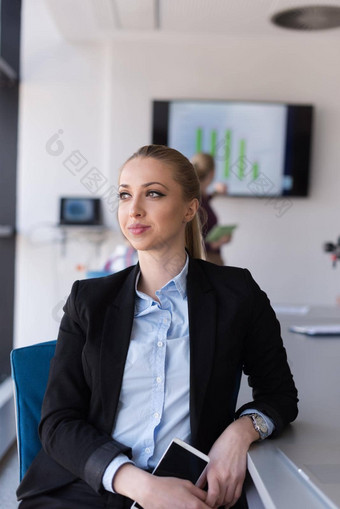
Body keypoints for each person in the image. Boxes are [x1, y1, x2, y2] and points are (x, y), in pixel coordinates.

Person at [17, 145, 298, 509]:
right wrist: (141, 486)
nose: (133, 209)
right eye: (124, 195)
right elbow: (58, 422)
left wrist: (240, 432)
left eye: (153, 193)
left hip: (191, 489)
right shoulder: (89, 300)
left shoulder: (236, 294)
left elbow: (279, 395)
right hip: (89, 487)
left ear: (190, 208)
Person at [191, 152, 231, 266]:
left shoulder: (200, 198)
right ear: (212, 173)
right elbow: (188, 239)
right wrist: (214, 244)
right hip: (205, 262)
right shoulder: (196, 203)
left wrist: (216, 193)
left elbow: (206, 200)